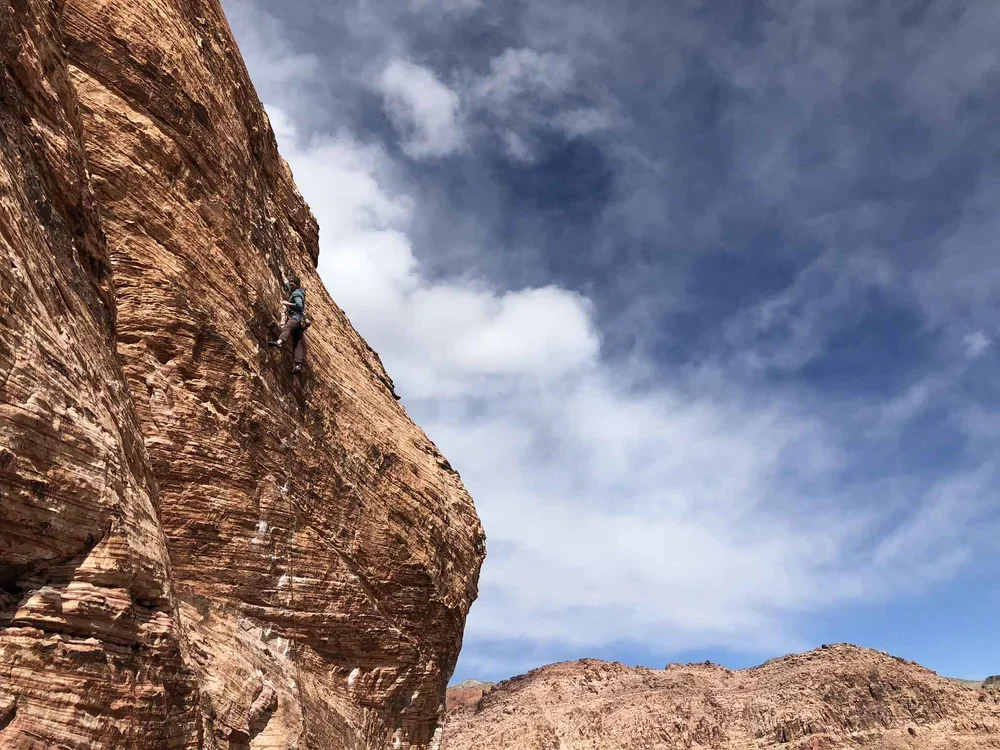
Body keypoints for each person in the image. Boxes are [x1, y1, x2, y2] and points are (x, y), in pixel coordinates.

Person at [268, 275, 307, 374]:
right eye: (290, 284)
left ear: (297, 285)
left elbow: (299, 305)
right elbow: (287, 284)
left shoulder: (297, 294)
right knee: (297, 341)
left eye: (292, 284)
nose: (291, 285)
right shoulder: (298, 291)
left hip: (296, 317)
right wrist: (285, 280)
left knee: (287, 327)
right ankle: (298, 364)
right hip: (300, 322)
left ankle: (280, 342)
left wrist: (287, 303)